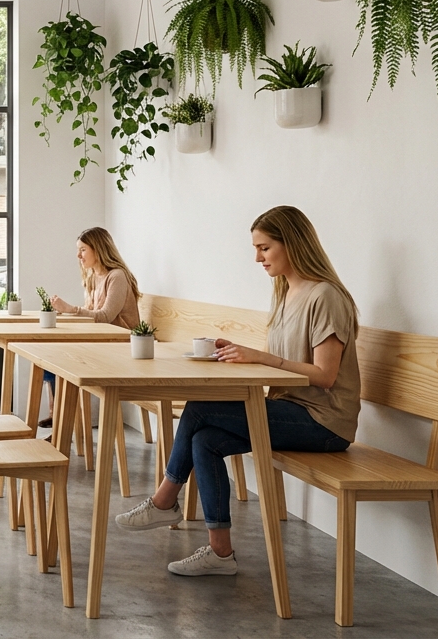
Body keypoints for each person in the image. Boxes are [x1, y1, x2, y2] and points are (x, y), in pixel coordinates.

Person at [114, 205, 359, 577]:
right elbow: (285, 360)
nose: (257, 258)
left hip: (324, 422)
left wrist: (261, 357)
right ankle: (220, 553)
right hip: (290, 408)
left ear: (291, 243)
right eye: (256, 249)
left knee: (199, 408)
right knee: (206, 440)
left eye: (264, 248)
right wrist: (235, 354)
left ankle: (164, 499)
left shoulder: (325, 297)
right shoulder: (286, 293)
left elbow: (325, 376)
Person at [43, 227, 142, 426]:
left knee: (63, 360)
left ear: (98, 249)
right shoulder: (92, 277)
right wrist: (64, 312)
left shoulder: (117, 276)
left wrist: (71, 309)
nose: (78, 255)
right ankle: (58, 418)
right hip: (102, 341)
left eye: (83, 249)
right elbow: (91, 315)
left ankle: (63, 424)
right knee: (50, 358)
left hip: (122, 345)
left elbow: (105, 316)